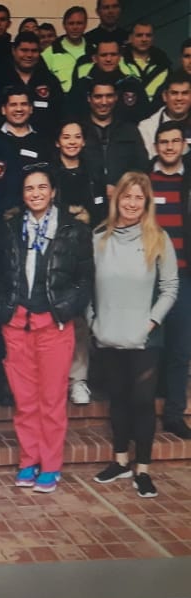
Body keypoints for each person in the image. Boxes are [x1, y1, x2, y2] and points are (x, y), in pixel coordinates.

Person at [0, 166, 94, 493]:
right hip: (17, 323)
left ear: (52, 192)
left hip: (54, 324)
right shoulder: (9, 228)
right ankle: (29, 460)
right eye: (29, 188)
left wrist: (64, 309)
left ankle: (50, 466)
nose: (35, 193)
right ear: (23, 195)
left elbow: (85, 280)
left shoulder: (73, 230)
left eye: (41, 187)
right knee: (25, 400)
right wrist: (4, 309)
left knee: (51, 399)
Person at [90, 171, 178, 498]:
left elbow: (170, 288)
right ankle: (120, 461)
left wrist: (151, 322)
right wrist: (93, 321)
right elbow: (85, 286)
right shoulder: (99, 238)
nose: (131, 203)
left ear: (147, 202)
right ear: (117, 199)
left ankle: (142, 469)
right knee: (118, 399)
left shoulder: (159, 238)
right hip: (108, 333)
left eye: (138, 197)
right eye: (126, 196)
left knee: (142, 402)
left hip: (144, 337)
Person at [51, 119, 107, 406]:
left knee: (81, 315)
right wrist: (73, 214)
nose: (72, 142)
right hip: (56, 251)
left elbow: (101, 214)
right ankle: (57, 378)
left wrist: (88, 217)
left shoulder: (93, 173)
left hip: (86, 249)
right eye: (66, 137)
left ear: (83, 142)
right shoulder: (50, 173)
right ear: (58, 141)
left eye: (77, 137)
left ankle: (79, 379)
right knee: (55, 316)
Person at [145, 123, 191, 439]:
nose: (170, 147)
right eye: (164, 142)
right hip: (149, 278)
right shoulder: (145, 180)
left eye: (175, 141)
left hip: (184, 277)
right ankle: (143, 414)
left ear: (183, 145)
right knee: (149, 348)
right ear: (156, 146)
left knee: (180, 348)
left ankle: (174, 414)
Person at [137, 70, 191, 159]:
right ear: (165, 96)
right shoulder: (146, 128)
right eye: (174, 93)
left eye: (185, 93)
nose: (179, 98)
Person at [41, 6, 88, 93]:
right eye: (71, 23)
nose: (75, 27)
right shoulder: (50, 52)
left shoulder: (94, 51)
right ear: (64, 25)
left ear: (85, 25)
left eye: (79, 23)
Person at [123, 22, 170, 101]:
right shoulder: (119, 62)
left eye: (148, 35)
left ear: (153, 38)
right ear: (130, 38)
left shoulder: (164, 64)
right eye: (139, 35)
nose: (144, 39)